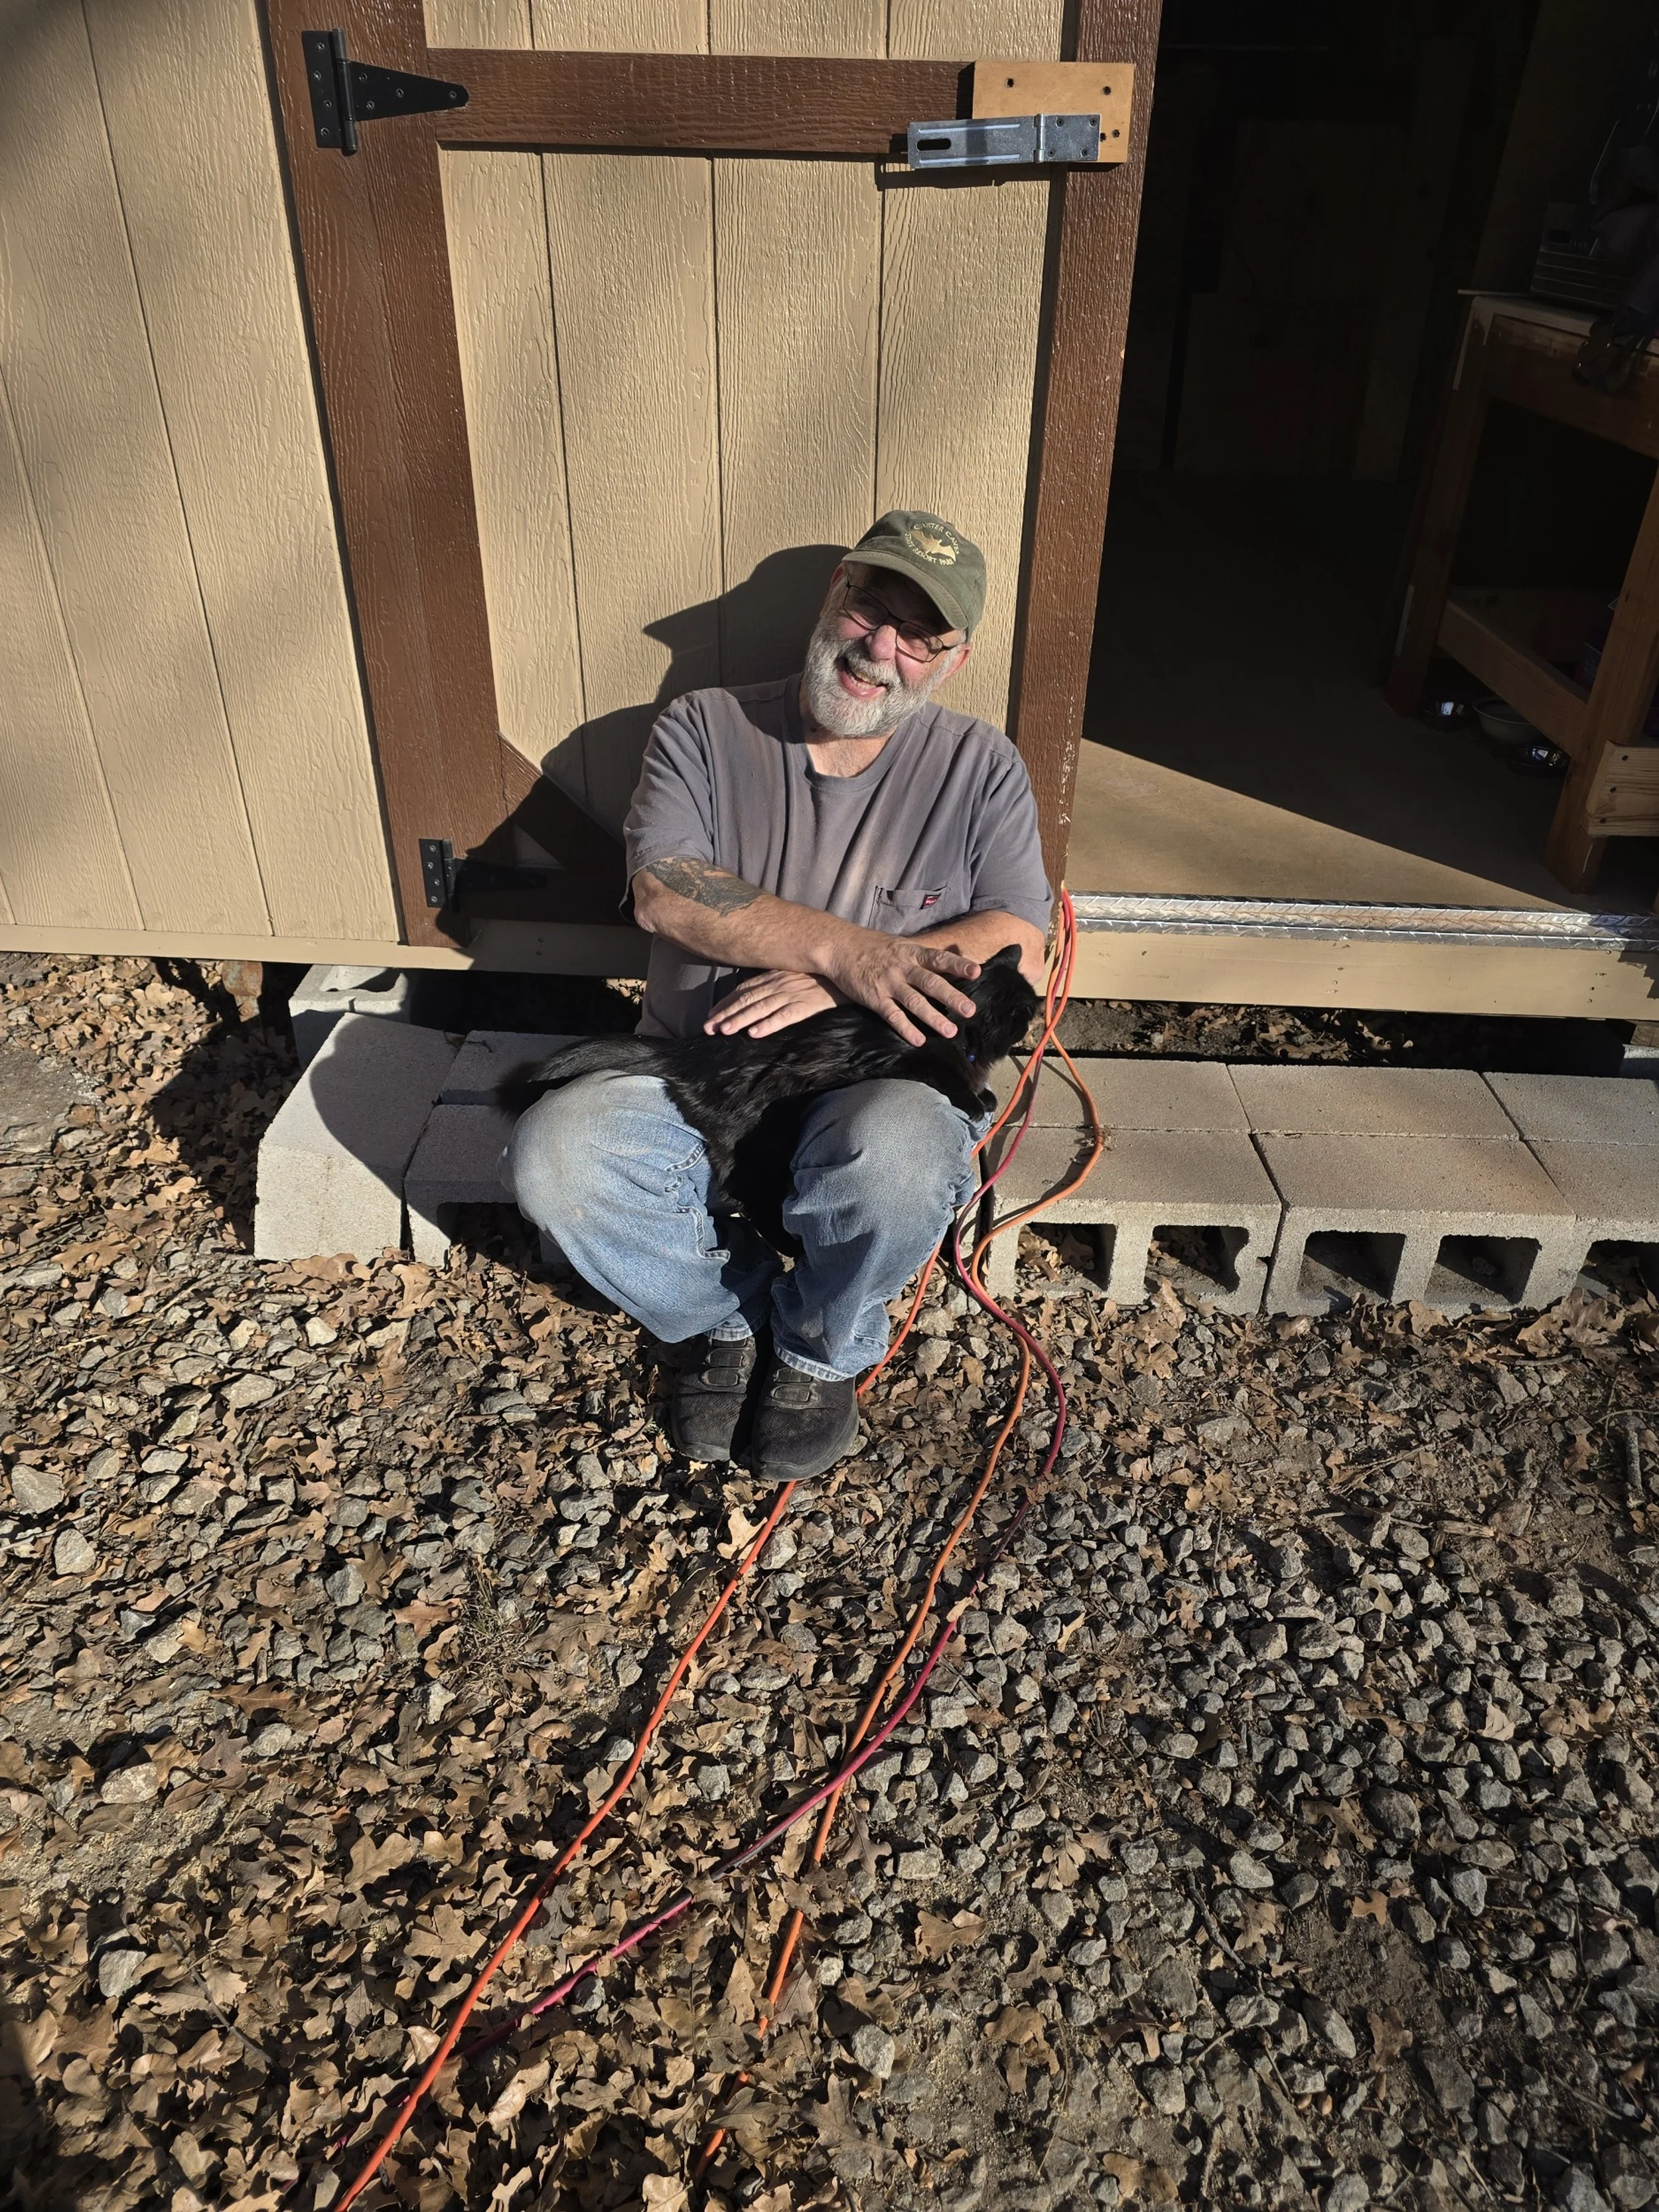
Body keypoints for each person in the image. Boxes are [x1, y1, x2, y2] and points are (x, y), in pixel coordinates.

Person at [508, 510, 1051, 1483]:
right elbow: (664, 887)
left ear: (953, 661)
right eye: (871, 608)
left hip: (864, 1084)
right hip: (695, 1074)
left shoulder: (980, 769)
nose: (881, 650)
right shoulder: (707, 728)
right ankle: (723, 1315)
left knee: (900, 1160)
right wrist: (849, 953)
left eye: (920, 638)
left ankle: (817, 1351)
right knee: (558, 1157)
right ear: (834, 594)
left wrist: (840, 980)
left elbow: (1018, 938)